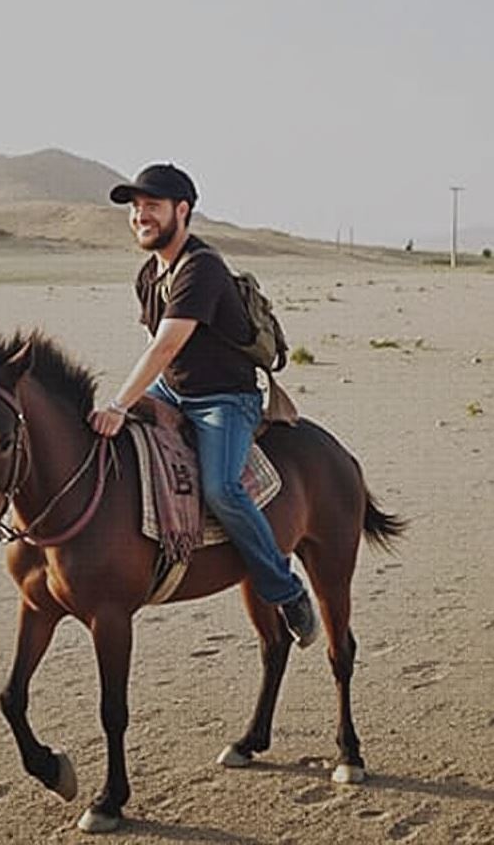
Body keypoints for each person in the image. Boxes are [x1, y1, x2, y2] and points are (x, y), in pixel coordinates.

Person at [89, 162, 317, 646]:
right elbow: (157, 348)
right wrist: (135, 405)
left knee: (221, 489)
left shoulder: (202, 267)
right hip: (173, 391)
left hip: (224, 400)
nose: (140, 216)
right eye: (135, 208)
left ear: (182, 210)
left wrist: (118, 403)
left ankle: (285, 588)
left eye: (151, 206)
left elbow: (165, 346)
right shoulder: (149, 274)